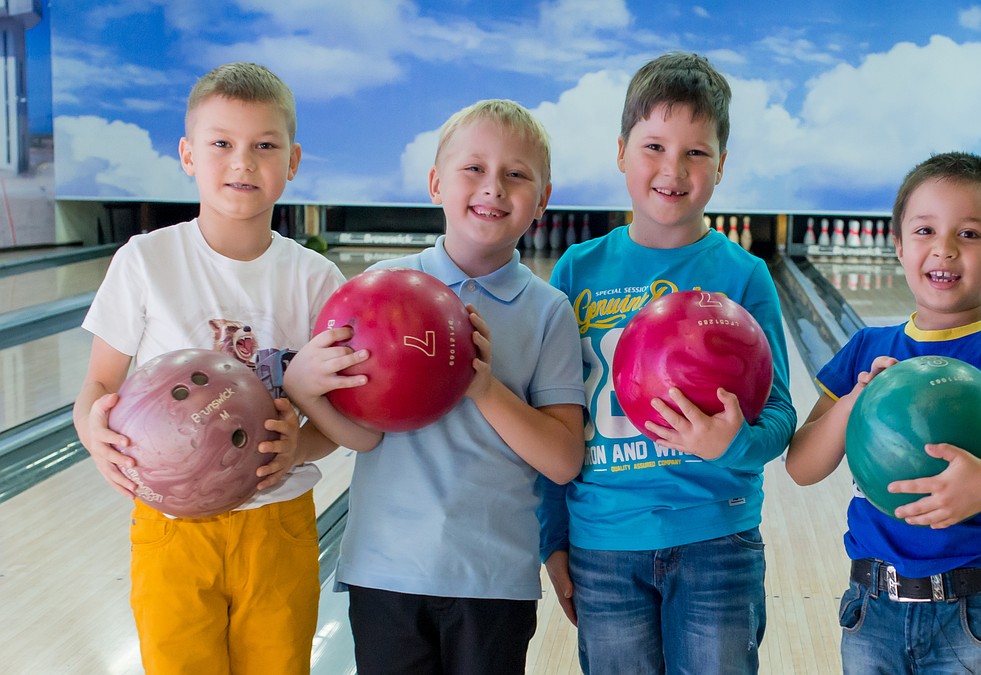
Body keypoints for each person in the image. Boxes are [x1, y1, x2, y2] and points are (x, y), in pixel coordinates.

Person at [283, 98, 586, 675]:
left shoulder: (549, 313)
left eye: (516, 174)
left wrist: (483, 387)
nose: (493, 187)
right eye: (473, 168)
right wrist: (304, 392)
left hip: (494, 579)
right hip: (385, 569)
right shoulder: (378, 294)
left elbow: (564, 459)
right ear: (435, 183)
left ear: (542, 201)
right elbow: (361, 436)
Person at [73, 62, 352, 674]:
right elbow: (97, 385)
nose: (242, 162)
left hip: (277, 523)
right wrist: (94, 438)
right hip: (171, 529)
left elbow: (340, 423)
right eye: (222, 143)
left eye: (264, 146)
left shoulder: (315, 281)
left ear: (293, 161)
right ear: (188, 155)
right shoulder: (146, 261)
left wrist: (297, 449)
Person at [537, 52, 797, 674]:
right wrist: (552, 539)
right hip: (603, 541)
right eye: (653, 146)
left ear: (721, 166)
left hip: (718, 538)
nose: (672, 170)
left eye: (696, 153)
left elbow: (782, 417)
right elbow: (554, 417)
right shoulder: (577, 270)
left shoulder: (743, 274)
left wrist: (732, 443)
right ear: (621, 151)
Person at [786, 151, 981, 674]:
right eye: (924, 230)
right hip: (873, 605)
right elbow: (802, 466)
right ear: (898, 246)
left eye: (969, 234)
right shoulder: (865, 350)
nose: (943, 248)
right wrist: (854, 403)